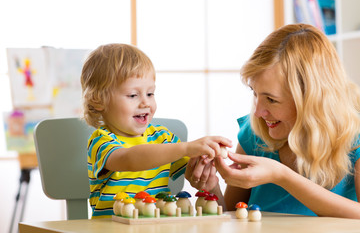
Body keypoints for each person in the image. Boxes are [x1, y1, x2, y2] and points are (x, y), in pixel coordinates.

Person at [186, 24, 360, 219]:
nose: (258, 112)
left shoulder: (355, 137)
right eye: (255, 93)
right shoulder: (254, 133)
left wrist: (282, 176)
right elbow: (233, 215)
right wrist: (212, 189)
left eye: (271, 99)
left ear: (311, 99)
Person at [80, 43, 232, 218]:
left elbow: (198, 172)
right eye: (132, 95)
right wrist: (186, 147)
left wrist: (210, 177)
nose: (145, 103)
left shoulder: (162, 138)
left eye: (150, 94)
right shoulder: (102, 140)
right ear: (98, 100)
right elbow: (130, 159)